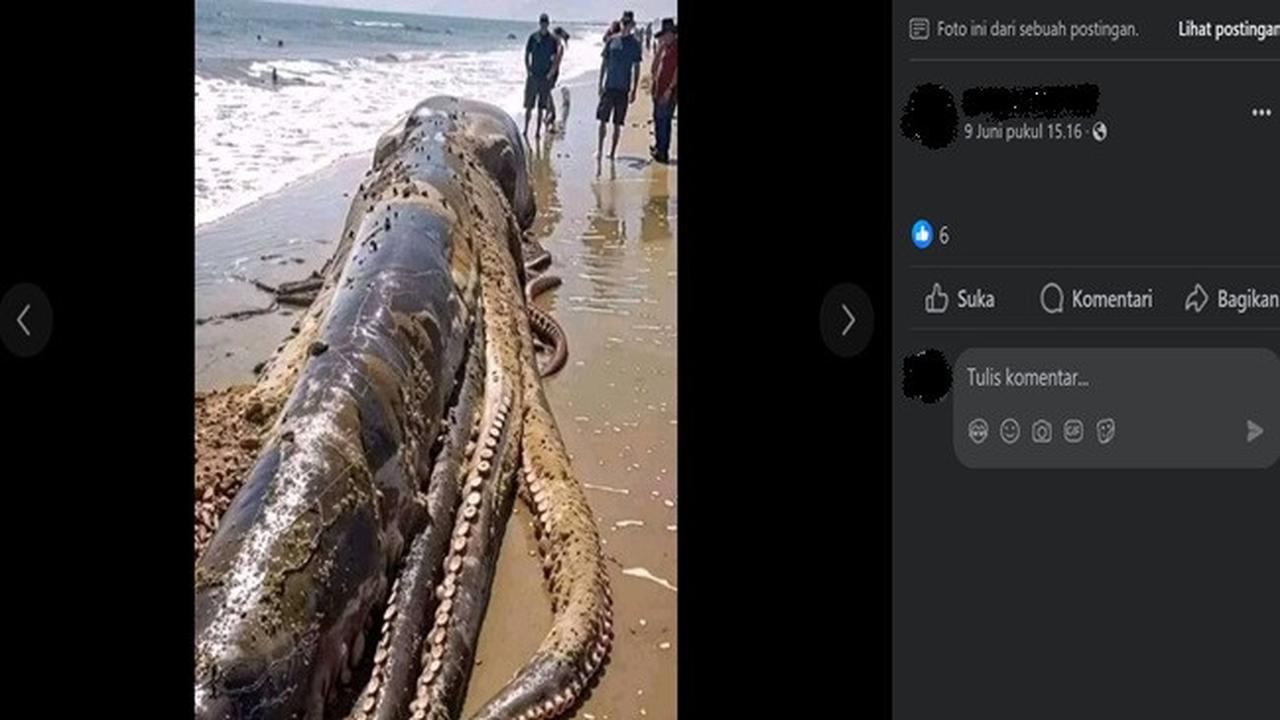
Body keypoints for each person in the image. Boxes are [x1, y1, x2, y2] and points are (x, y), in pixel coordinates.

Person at [596, 11, 642, 161]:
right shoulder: (611, 40)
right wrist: (600, 83)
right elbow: (604, 63)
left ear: (632, 25)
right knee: (602, 120)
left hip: (623, 88)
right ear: (621, 23)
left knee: (617, 123)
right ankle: (600, 150)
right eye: (624, 23)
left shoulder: (635, 44)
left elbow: (637, 68)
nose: (626, 26)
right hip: (609, 86)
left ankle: (613, 152)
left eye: (628, 23)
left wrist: (634, 90)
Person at [524, 13, 559, 137]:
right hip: (533, 76)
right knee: (529, 105)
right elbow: (527, 54)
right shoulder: (533, 37)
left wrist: (551, 73)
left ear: (548, 24)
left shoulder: (552, 40)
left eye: (545, 23)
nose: (544, 25)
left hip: (544, 77)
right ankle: (526, 130)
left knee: (541, 107)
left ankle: (538, 132)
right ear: (539, 23)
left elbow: (556, 58)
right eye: (542, 23)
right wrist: (528, 70)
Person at [649, 18, 677, 163]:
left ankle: (662, 152)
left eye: (666, 34)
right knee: (658, 119)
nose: (664, 37)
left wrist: (669, 90)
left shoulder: (676, 48)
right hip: (658, 89)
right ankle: (660, 147)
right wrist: (659, 50)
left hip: (669, 92)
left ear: (672, 33)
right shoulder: (664, 48)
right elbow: (653, 69)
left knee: (663, 120)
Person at [544, 27, 570, 132]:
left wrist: (551, 73)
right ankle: (549, 118)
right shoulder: (557, 44)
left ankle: (549, 118)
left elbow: (556, 61)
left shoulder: (558, 45)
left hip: (552, 72)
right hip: (552, 72)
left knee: (549, 95)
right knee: (549, 95)